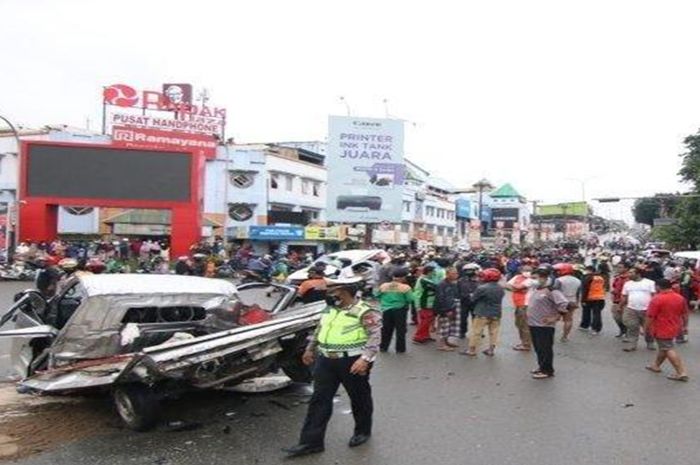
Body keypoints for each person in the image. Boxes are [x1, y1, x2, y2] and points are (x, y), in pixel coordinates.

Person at [284, 278, 381, 458]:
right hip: (326, 361)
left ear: (344, 290)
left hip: (352, 361)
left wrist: (365, 360)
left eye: (331, 290)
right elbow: (320, 329)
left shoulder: (365, 311)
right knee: (319, 400)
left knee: (359, 397)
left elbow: (374, 337)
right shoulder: (329, 309)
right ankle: (311, 442)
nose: (327, 293)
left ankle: (362, 431)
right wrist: (310, 349)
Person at [527, 268, 569, 379]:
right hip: (533, 324)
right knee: (538, 348)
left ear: (544, 278)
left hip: (544, 326)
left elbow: (564, 303)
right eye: (532, 278)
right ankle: (541, 366)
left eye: (535, 278)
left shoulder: (551, 291)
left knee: (545, 348)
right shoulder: (536, 289)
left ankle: (547, 370)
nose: (533, 280)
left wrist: (556, 317)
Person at [644, 279, 689, 381]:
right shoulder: (680, 298)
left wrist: (645, 328)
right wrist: (685, 326)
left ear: (659, 287)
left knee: (668, 348)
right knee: (664, 347)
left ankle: (681, 372)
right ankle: (656, 365)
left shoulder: (657, 299)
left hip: (661, 328)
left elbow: (650, 316)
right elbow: (685, 314)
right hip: (675, 326)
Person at [463, 268, 504, 357]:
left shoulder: (482, 288)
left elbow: (472, 299)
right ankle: (491, 350)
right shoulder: (501, 288)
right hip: (496, 313)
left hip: (482, 313)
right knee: (494, 332)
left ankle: (471, 350)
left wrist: (471, 295)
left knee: (476, 332)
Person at [376, 268, 413, 353]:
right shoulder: (406, 288)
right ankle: (400, 349)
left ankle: (383, 347)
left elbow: (377, 295)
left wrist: (385, 301)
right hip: (400, 310)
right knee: (400, 330)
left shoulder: (384, 285)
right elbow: (410, 299)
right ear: (402, 277)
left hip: (386, 310)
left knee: (386, 329)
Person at [621, 266, 657, 352]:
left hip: (647, 309)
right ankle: (632, 344)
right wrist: (620, 306)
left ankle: (650, 342)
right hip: (631, 308)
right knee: (632, 326)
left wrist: (654, 309)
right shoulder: (627, 284)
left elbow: (654, 296)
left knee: (648, 328)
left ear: (638, 274)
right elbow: (624, 296)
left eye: (631, 272)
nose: (629, 274)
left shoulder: (650, 283)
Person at [506, 265, 536, 351]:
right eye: (525, 270)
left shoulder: (532, 280)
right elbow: (507, 285)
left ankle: (526, 344)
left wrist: (516, 287)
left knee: (524, 325)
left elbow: (518, 287)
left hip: (526, 305)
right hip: (518, 304)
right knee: (519, 324)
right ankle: (523, 341)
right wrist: (516, 289)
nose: (527, 272)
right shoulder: (517, 277)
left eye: (529, 270)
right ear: (521, 270)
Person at [434, 267, 460, 351]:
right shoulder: (441, 284)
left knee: (449, 326)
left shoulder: (452, 283)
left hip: (451, 307)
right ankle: (441, 345)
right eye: (453, 273)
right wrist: (446, 310)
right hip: (445, 309)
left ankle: (446, 342)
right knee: (444, 327)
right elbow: (440, 299)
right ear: (447, 274)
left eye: (456, 273)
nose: (456, 275)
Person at [553, 263, 581, 342]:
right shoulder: (577, 281)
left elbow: (555, 291)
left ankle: (549, 335)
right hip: (572, 301)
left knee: (554, 319)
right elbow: (578, 293)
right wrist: (577, 302)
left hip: (559, 302)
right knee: (568, 320)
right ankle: (565, 337)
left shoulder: (559, 280)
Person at [412, 265, 438, 344]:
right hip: (424, 303)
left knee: (428, 320)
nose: (435, 273)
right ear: (429, 272)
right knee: (425, 321)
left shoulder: (427, 279)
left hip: (429, 303)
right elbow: (435, 287)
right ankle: (418, 337)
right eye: (433, 272)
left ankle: (425, 336)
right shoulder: (424, 280)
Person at [579, 265, 606, 335]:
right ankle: (596, 329)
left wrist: (583, 300)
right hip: (600, 298)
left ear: (589, 270)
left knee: (586, 312)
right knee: (597, 314)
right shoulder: (600, 277)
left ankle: (585, 325)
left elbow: (585, 289)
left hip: (589, 297)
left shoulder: (587, 277)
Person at [458, 264, 481, 339]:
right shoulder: (461, 280)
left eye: (470, 270)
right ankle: (462, 332)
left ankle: (478, 332)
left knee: (477, 318)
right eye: (467, 270)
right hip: (464, 302)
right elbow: (458, 291)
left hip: (476, 303)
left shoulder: (480, 280)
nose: (469, 272)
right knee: (463, 318)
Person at [611, 263, 630, 338]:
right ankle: (623, 330)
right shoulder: (618, 277)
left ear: (626, 268)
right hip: (616, 299)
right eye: (618, 267)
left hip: (624, 300)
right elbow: (615, 286)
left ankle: (628, 334)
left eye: (620, 267)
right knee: (617, 317)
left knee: (625, 318)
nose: (618, 269)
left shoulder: (628, 278)